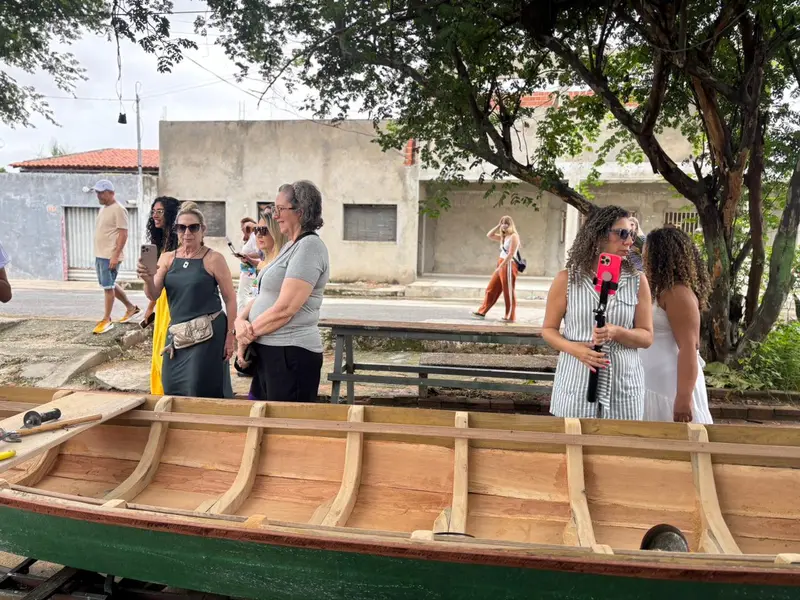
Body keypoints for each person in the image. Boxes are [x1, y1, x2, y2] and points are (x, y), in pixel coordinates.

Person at [542, 205, 654, 420]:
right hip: (576, 382)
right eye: (622, 234)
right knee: (575, 448)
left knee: (620, 449)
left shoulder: (637, 280)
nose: (629, 241)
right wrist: (575, 349)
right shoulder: (567, 280)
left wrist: (617, 332)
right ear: (598, 235)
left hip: (623, 387)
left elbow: (647, 337)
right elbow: (548, 330)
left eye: (630, 234)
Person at [235, 181, 329, 402]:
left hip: (290, 354)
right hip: (271, 351)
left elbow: (286, 308)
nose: (274, 216)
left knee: (286, 429)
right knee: (264, 424)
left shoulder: (310, 247)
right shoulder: (290, 246)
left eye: (279, 209)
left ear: (300, 211)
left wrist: (246, 336)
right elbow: (265, 295)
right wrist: (241, 320)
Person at [137, 202, 236, 399]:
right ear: (176, 230)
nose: (187, 232)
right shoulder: (167, 258)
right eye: (182, 227)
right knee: (171, 386)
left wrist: (230, 336)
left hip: (207, 335)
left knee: (199, 389)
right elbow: (153, 294)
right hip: (178, 335)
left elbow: (230, 298)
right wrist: (147, 278)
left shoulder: (213, 259)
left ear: (203, 230)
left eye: (193, 227)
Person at [640, 227, 713, 424]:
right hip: (651, 384)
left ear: (661, 256)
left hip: (670, 387)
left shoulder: (678, 293)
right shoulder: (659, 290)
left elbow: (689, 347)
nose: (643, 257)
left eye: (647, 253)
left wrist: (683, 398)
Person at [235, 212, 289, 385]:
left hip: (277, 341)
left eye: (264, 230)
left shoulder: (282, 262)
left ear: (277, 231)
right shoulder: (268, 260)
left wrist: (245, 338)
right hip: (260, 338)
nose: (258, 234)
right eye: (256, 230)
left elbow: (280, 306)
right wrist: (241, 318)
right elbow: (259, 298)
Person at [141, 196, 181, 395]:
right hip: (161, 300)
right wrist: (150, 308)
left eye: (160, 211)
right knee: (159, 347)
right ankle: (159, 392)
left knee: (168, 347)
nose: (155, 215)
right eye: (153, 211)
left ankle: (168, 390)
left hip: (174, 301)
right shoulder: (159, 242)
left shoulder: (180, 240)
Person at [90, 179, 140, 334]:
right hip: (101, 254)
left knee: (108, 287)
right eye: (97, 192)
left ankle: (106, 319)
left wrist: (115, 255)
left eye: (101, 193)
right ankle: (131, 308)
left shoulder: (119, 209)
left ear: (111, 193)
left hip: (110, 256)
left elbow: (123, 234)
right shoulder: (103, 209)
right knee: (109, 284)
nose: (98, 195)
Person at [473, 216, 521, 322]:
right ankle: (482, 311)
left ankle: (510, 316)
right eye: (503, 223)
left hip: (508, 264)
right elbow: (489, 235)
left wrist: (501, 266)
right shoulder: (504, 236)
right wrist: (498, 225)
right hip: (501, 262)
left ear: (510, 225)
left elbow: (511, 254)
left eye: (506, 223)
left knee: (508, 292)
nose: (504, 225)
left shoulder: (514, 236)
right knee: (491, 288)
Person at [236, 217, 261, 310]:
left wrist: (246, 256)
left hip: (250, 271)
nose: (242, 229)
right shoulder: (249, 237)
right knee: (247, 294)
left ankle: (241, 314)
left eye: (244, 227)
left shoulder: (254, 236)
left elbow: (259, 253)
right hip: (246, 270)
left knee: (243, 294)